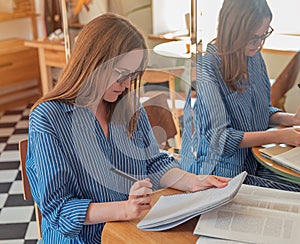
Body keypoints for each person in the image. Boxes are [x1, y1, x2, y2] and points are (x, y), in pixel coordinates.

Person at [26, 13, 230, 243]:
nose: (125, 86)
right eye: (122, 74)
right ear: (93, 64)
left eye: (133, 76)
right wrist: (125, 209)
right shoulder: (48, 118)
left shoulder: (127, 107)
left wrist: (193, 181)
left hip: (128, 232)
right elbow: (59, 210)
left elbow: (153, 162)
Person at [180, 0, 300, 191]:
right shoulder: (205, 68)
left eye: (264, 35)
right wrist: (279, 135)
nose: (259, 44)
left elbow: (260, 111)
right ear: (233, 31)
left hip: (251, 164)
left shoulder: (253, 57)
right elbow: (218, 139)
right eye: (253, 38)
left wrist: (292, 119)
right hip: (214, 173)